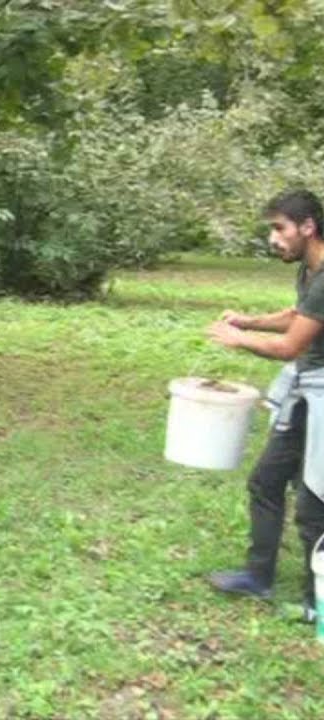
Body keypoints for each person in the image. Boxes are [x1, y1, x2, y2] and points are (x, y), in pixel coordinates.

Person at [207, 189, 324, 623]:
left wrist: (239, 340)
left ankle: (318, 602)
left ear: (307, 226)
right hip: (307, 393)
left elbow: (292, 345)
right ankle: (259, 577)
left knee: (315, 501)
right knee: (267, 481)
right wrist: (248, 320)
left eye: (280, 228)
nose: (273, 238)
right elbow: (299, 315)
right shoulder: (310, 270)